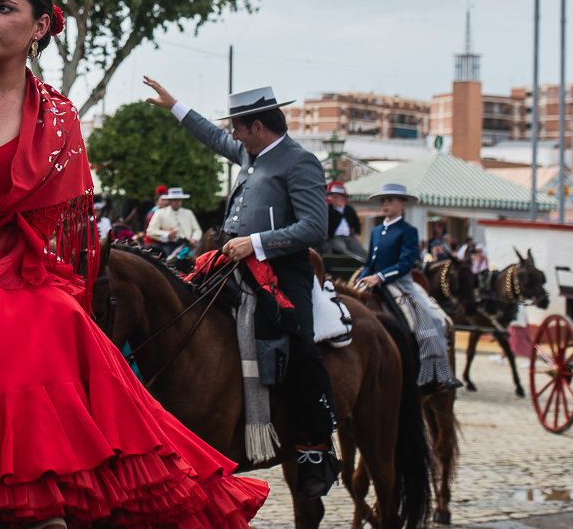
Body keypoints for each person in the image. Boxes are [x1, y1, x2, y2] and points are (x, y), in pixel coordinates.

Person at [0, 0, 268, 529]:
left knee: (57, 316)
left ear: (39, 26)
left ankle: (308, 435)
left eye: (4, 8)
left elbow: (36, 235)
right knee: (25, 320)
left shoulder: (59, 120)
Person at [143, 76, 339, 498]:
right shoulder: (249, 154)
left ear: (257, 125)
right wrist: (175, 104)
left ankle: (314, 446)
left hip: (284, 273)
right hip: (232, 263)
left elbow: (314, 227)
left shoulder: (298, 161)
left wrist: (257, 242)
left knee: (301, 345)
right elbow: (213, 137)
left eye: (237, 126)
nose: (231, 133)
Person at [356, 183, 460, 393]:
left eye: (391, 200)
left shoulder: (408, 231)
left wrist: (381, 276)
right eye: (384, 201)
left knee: (429, 320)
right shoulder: (376, 230)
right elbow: (370, 261)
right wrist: (363, 277)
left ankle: (437, 374)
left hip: (400, 284)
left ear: (403, 204)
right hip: (372, 281)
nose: (386, 204)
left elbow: (405, 264)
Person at [147, 187, 202, 257]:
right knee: (168, 263)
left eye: (179, 200)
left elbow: (197, 230)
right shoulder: (160, 213)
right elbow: (150, 231)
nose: (177, 202)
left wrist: (194, 239)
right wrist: (166, 234)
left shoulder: (188, 213)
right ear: (170, 200)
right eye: (175, 200)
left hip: (188, 245)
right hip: (170, 246)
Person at [323, 180, 364, 258]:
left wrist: (357, 235)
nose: (333, 199)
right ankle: (351, 260)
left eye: (336, 197)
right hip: (335, 238)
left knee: (360, 251)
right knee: (341, 249)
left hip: (349, 237)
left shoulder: (349, 209)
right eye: (332, 196)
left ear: (342, 197)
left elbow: (357, 223)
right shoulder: (328, 210)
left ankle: (362, 263)